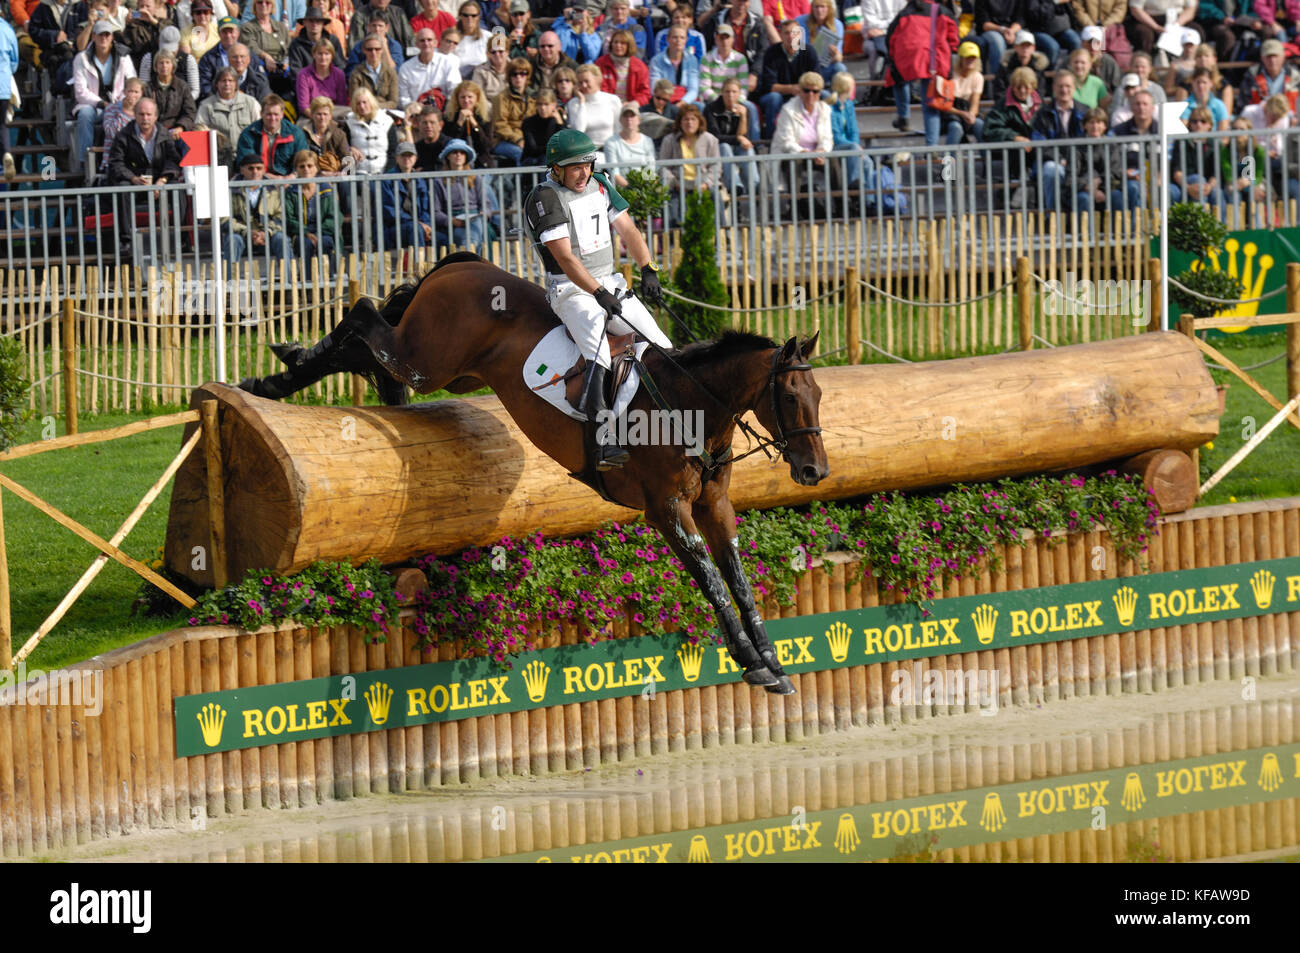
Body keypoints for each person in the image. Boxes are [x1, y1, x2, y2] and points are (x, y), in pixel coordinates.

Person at [522, 128, 671, 469]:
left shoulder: (601, 184)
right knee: (599, 351)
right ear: (556, 168)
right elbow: (566, 259)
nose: (583, 173)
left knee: (661, 344)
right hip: (571, 289)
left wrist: (648, 267)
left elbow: (629, 231)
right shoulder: (545, 198)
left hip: (610, 283)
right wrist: (597, 293)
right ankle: (601, 438)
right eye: (574, 167)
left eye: (587, 165)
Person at [885, 0, 956, 144]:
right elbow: (954, 40)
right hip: (933, 60)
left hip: (906, 57)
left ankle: (903, 116)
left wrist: (893, 57)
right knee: (930, 104)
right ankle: (932, 147)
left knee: (899, 80)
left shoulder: (904, 13)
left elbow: (890, 38)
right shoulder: (943, 12)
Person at [73, 20, 136, 172]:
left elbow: (131, 82)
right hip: (94, 106)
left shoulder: (123, 57)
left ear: (112, 37)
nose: (104, 38)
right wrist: (103, 104)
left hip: (119, 103)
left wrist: (122, 102)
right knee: (85, 115)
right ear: (93, 36)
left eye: (107, 35)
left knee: (130, 114)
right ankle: (86, 162)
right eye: (100, 35)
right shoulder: (81, 58)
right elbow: (80, 92)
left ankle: (126, 158)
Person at [1032, 71, 1087, 211]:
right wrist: (1061, 160)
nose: (1064, 90)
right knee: (1051, 170)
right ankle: (1054, 218)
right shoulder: (1043, 114)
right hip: (1055, 162)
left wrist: (1075, 162)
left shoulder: (1086, 112)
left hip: (1081, 164)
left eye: (1068, 86)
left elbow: (1089, 142)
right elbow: (1040, 144)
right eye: (1060, 86)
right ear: (1054, 88)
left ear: (1075, 88)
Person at [225, 150, 289, 263]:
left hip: (268, 236)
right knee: (233, 240)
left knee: (282, 240)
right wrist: (247, 232)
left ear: (264, 170)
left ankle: (288, 279)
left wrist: (266, 232)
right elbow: (225, 219)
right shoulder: (230, 189)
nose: (255, 172)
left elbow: (280, 217)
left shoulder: (273, 189)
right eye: (250, 168)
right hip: (241, 235)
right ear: (242, 170)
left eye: (259, 168)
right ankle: (231, 280)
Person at [757, 18, 816, 139]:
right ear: (780, 35)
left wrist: (802, 91)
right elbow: (770, 86)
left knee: (823, 95)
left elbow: (816, 81)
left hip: (803, 94)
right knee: (774, 98)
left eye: (794, 32)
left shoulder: (809, 51)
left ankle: (818, 139)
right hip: (778, 96)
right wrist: (792, 89)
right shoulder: (771, 52)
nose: (790, 36)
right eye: (786, 33)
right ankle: (771, 139)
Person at [197, 65, 262, 166]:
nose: (227, 84)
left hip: (247, 156)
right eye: (223, 81)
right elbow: (199, 131)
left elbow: (260, 128)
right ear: (216, 84)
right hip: (218, 158)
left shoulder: (251, 103)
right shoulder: (206, 106)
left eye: (230, 81)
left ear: (236, 84)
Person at [236, 92, 311, 176]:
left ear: (282, 114)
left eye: (276, 114)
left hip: (289, 180)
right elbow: (246, 164)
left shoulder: (296, 133)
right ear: (261, 114)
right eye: (269, 114)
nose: (272, 118)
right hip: (258, 179)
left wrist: (293, 176)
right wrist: (269, 178)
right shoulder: (248, 133)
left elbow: (303, 160)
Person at [704, 75, 758, 190]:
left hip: (736, 147)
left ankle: (754, 185)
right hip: (716, 149)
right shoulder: (711, 109)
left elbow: (743, 136)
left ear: (739, 94)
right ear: (721, 93)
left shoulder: (744, 109)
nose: (730, 95)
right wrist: (738, 139)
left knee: (747, 149)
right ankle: (735, 186)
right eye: (727, 92)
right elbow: (715, 137)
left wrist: (743, 117)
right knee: (724, 147)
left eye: (734, 92)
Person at [432, 137, 490, 244]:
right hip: (452, 219)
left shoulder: (476, 177)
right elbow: (436, 212)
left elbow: (485, 204)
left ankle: (470, 253)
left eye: (462, 153)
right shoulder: (439, 181)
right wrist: (452, 221)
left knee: (475, 231)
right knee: (465, 236)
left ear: (466, 157)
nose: (458, 155)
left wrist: (484, 214)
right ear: (448, 156)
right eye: (454, 152)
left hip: (475, 217)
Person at [285, 147, 341, 257]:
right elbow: (289, 219)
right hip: (300, 233)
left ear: (316, 168)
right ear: (296, 169)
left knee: (325, 242)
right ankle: (307, 274)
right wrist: (306, 233)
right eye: (302, 166)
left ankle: (328, 274)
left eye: (310, 166)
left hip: (324, 232)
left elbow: (334, 217)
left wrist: (317, 233)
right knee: (305, 244)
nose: (306, 169)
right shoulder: (291, 191)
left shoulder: (327, 190)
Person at [1108, 86, 1157, 209]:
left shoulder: (1163, 130)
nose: (1141, 108)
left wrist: (1159, 177)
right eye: (1137, 104)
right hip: (1128, 180)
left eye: (1145, 104)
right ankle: (1138, 227)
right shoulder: (1118, 131)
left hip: (1159, 178)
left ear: (1152, 108)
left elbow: (1170, 160)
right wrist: (1124, 172)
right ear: (1131, 107)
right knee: (1134, 188)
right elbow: (1110, 161)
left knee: (1170, 191)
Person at [381, 139, 434, 245]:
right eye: (403, 155)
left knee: (444, 239)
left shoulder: (420, 180)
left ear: (415, 158)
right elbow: (390, 212)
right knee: (415, 229)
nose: (406, 159)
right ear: (396, 158)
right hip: (394, 228)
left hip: (418, 226)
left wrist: (426, 225)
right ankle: (420, 262)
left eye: (410, 155)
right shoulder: (387, 180)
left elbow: (425, 208)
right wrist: (418, 223)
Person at [827, 71, 873, 187]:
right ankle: (854, 187)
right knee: (854, 148)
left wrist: (856, 146)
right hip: (834, 146)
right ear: (848, 89)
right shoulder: (829, 107)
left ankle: (869, 201)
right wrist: (855, 147)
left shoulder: (849, 104)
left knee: (868, 163)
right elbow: (836, 137)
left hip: (851, 147)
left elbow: (853, 130)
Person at [398, 27, 461, 107]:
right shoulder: (405, 68)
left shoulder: (448, 63)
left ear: (435, 43)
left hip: (442, 111)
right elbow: (403, 98)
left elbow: (455, 91)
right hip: (416, 112)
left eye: (429, 40)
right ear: (416, 44)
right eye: (422, 40)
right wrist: (414, 107)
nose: (426, 43)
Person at [240, 0, 291, 93]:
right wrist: (266, 57)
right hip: (260, 72)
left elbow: (290, 49)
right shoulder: (247, 27)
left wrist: (287, 62)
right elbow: (251, 47)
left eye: (267, 2)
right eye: (260, 2)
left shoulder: (281, 27)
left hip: (283, 71)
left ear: (272, 6)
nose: (264, 5)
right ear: (254, 6)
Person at [567, 62, 622, 148]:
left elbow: (619, 129)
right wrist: (582, 102)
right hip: (585, 151)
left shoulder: (613, 100)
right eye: (580, 82)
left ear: (597, 79)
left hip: (610, 148)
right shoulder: (574, 103)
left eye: (586, 81)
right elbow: (578, 131)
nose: (584, 85)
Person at [99, 76, 144, 178]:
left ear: (141, 94)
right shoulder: (111, 108)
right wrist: (125, 111)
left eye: (136, 92)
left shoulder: (144, 112)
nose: (132, 95)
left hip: (139, 163)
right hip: (114, 162)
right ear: (124, 92)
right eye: (130, 91)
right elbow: (110, 133)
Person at [345, 85, 397, 173]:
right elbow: (343, 146)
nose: (362, 106)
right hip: (359, 173)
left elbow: (393, 151)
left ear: (371, 102)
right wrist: (349, 148)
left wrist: (387, 173)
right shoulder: (349, 123)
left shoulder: (386, 121)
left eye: (364, 102)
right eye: (358, 103)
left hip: (383, 173)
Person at [603, 100, 656, 187]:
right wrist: (630, 188)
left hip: (645, 189)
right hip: (621, 190)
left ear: (639, 120)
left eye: (632, 115)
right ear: (620, 120)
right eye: (625, 116)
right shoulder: (610, 142)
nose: (629, 119)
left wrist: (644, 187)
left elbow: (650, 169)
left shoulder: (648, 141)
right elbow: (614, 173)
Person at [982, 64, 1041, 141]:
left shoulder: (1040, 105)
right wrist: (1014, 137)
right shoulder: (1002, 106)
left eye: (1026, 87)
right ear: (1012, 87)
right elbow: (989, 130)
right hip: (1011, 151)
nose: (1022, 91)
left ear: (1033, 87)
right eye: (1018, 87)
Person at [1239, 38, 1300, 110]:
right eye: (1268, 56)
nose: (1272, 60)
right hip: (1260, 116)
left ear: (1283, 57)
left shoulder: (1296, 76)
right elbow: (1243, 103)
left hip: (1290, 117)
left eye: (1275, 56)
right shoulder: (1252, 75)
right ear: (1262, 58)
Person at [990, 29, 1048, 105]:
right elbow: (999, 91)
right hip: (1008, 107)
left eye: (1028, 46)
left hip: (1033, 106)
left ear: (1033, 48)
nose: (1025, 49)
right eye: (1022, 45)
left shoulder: (1038, 67)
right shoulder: (1005, 66)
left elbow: (1040, 91)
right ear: (1015, 47)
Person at [148, 49, 197, 136]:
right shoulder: (148, 88)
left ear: (173, 66)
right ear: (155, 67)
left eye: (167, 62)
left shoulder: (182, 86)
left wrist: (181, 127)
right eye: (161, 63)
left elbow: (190, 112)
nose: (164, 66)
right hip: (153, 131)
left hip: (176, 132)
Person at [650, 23, 701, 105]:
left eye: (682, 38)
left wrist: (682, 103)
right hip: (663, 101)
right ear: (668, 39)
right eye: (675, 37)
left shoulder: (692, 60)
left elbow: (693, 89)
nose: (678, 41)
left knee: (701, 107)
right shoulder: (656, 61)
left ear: (686, 40)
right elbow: (654, 88)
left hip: (685, 101)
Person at [443, 78, 493, 163]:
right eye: (462, 97)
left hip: (481, 162)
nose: (466, 101)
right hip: (456, 163)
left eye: (470, 97)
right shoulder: (450, 117)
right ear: (457, 99)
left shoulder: (485, 117)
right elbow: (448, 144)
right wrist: (459, 123)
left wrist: (475, 125)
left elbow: (487, 146)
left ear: (477, 98)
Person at [596, 27, 650, 105]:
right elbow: (599, 88)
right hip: (606, 105)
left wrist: (633, 104)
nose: (618, 45)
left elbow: (645, 93)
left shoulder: (640, 67)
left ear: (629, 45)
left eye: (622, 43)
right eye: (616, 42)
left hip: (631, 107)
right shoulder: (601, 63)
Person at [945, 41, 985, 144]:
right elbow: (945, 105)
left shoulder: (978, 77)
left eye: (973, 57)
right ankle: (948, 159)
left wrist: (971, 115)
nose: (971, 60)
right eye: (967, 57)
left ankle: (988, 158)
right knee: (955, 128)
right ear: (961, 58)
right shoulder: (950, 75)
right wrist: (962, 114)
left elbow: (975, 102)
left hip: (966, 111)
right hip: (951, 113)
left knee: (979, 125)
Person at [1124, 0, 1197, 55]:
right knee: (1145, 34)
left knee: (1195, 31)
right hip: (1148, 19)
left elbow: (1190, 8)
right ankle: (1145, 64)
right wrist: (1155, 27)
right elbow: (1135, 9)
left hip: (1178, 20)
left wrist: (1177, 24)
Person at [796, 0, 845, 82]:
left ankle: (836, 94)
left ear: (829, 8)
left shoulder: (837, 24)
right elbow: (799, 49)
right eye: (816, 7)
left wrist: (835, 54)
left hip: (825, 66)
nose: (819, 10)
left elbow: (839, 57)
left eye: (822, 7)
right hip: (805, 66)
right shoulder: (800, 22)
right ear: (812, 8)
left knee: (840, 68)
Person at [348, 31, 399, 109]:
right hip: (363, 112)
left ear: (382, 50)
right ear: (364, 50)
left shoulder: (391, 72)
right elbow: (355, 100)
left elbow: (394, 102)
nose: (373, 52)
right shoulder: (356, 73)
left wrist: (374, 107)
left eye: (377, 49)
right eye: (369, 49)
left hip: (386, 113)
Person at [299, 94, 350, 170]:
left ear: (330, 116)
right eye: (319, 114)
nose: (322, 118)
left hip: (336, 175)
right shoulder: (303, 134)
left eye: (325, 114)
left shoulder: (339, 134)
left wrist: (342, 174)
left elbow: (347, 158)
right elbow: (301, 159)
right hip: (311, 174)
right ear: (312, 115)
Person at [298, 39, 348, 116]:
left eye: (327, 54)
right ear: (314, 55)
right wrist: (319, 118)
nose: (323, 57)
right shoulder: (304, 74)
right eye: (320, 54)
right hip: (311, 115)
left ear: (332, 56)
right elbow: (303, 105)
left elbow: (342, 102)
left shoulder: (339, 74)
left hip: (334, 114)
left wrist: (328, 118)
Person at [288, 6, 343, 74]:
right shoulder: (296, 44)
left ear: (323, 24)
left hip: (331, 82)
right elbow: (296, 72)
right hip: (305, 82)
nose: (314, 24)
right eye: (311, 21)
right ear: (304, 23)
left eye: (318, 21)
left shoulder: (333, 41)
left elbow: (340, 67)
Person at [348, 0, 413, 50]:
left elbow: (409, 40)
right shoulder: (360, 15)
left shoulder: (398, 13)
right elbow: (355, 45)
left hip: (397, 57)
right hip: (368, 57)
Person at [521, 86, 563, 164]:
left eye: (546, 104)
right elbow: (532, 149)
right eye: (539, 104)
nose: (542, 108)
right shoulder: (528, 122)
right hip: (531, 161)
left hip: (551, 160)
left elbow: (563, 145)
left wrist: (559, 124)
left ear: (554, 105)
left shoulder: (558, 121)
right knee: (545, 159)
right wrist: (553, 149)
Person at [472, 31, 511, 103]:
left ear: (507, 52)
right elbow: (478, 97)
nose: (497, 54)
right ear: (488, 53)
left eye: (500, 51)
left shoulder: (515, 69)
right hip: (489, 109)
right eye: (493, 52)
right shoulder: (480, 71)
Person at [454, 1, 489, 78]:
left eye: (473, 15)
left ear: (478, 17)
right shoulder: (453, 38)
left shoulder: (488, 36)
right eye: (465, 15)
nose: (469, 19)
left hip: (482, 78)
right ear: (460, 16)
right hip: (459, 79)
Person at [0, 13, 15, 180]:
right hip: (2, 85)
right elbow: (14, 61)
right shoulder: (6, 29)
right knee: (1, 125)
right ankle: (6, 154)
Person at [415, 102, 451, 168]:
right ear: (419, 125)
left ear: (440, 125)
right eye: (424, 123)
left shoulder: (450, 146)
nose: (428, 126)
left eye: (432, 122)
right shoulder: (416, 149)